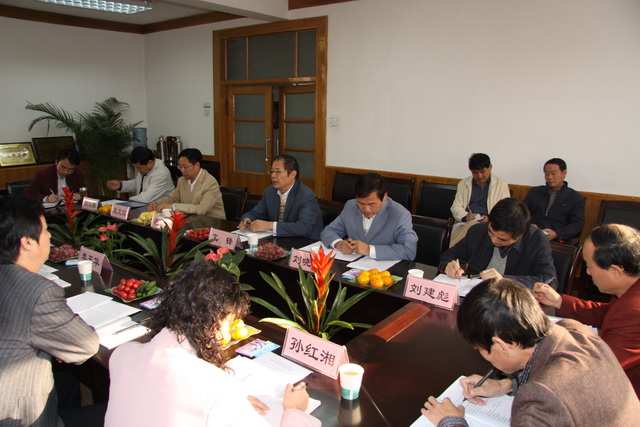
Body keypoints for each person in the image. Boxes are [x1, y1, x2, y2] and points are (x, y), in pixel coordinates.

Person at [105, 261, 320, 427]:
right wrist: (294, 411)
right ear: (211, 320)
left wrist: (232, 405)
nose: (227, 332)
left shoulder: (123, 354)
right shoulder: (215, 386)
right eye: (229, 322)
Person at [420, 279, 640, 427]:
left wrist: (451, 422)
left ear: (501, 345)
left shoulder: (540, 399)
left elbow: (552, 391)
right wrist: (507, 385)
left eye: (480, 350)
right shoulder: (574, 331)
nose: (483, 357)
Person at [0, 196, 100, 426]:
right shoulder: (38, 291)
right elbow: (85, 346)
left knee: (68, 384)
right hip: (16, 416)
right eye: (45, 230)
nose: (49, 237)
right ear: (27, 242)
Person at [533, 223, 640, 397]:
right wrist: (558, 301)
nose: (588, 273)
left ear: (616, 271)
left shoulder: (634, 311)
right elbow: (607, 313)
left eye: (589, 266)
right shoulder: (629, 290)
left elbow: (596, 367)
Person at [439, 198, 557, 289]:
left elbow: (549, 281)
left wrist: (505, 280)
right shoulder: (478, 231)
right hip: (474, 296)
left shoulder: (536, 240)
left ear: (520, 235)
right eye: (491, 232)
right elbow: (449, 254)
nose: (494, 241)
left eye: (502, 239)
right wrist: (449, 264)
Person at [321, 172, 417, 261]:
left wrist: (369, 250)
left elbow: (409, 251)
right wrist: (339, 244)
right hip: (353, 266)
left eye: (372, 204)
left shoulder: (400, 214)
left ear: (385, 196)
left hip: (384, 270)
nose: (366, 209)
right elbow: (329, 231)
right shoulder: (350, 206)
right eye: (360, 203)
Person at [239, 155, 323, 239]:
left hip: (305, 242)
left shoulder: (306, 196)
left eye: (278, 172)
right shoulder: (270, 192)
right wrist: (247, 219)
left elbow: (304, 228)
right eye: (272, 171)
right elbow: (256, 213)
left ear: (293, 174)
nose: (273, 175)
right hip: (279, 240)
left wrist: (270, 225)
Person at [449, 153, 510, 246]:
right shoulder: (463, 184)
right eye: (475, 172)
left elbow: (506, 210)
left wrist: (490, 218)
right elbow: (455, 207)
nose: (479, 176)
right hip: (467, 222)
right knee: (470, 227)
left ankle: (448, 251)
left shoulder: (501, 184)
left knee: (471, 229)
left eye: (482, 171)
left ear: (490, 167)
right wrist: (465, 216)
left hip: (490, 224)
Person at [148, 148, 225, 219]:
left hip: (211, 222)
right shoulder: (182, 180)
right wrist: (157, 203)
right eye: (180, 167)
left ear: (197, 165)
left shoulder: (210, 183)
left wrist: (173, 207)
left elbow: (201, 209)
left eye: (185, 167)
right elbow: (173, 198)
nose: (182, 170)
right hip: (190, 220)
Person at [525, 158, 585, 244]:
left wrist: (557, 233)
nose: (549, 177)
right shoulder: (535, 192)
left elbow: (577, 224)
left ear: (564, 173)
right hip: (531, 234)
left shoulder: (575, 198)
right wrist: (528, 225)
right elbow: (522, 214)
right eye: (546, 174)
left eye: (553, 173)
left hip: (556, 239)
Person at [106, 146, 174, 203]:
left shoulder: (161, 174)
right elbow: (139, 184)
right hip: (146, 206)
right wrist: (121, 185)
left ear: (150, 163)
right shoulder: (146, 169)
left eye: (138, 167)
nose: (137, 170)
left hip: (161, 209)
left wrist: (125, 202)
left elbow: (146, 198)